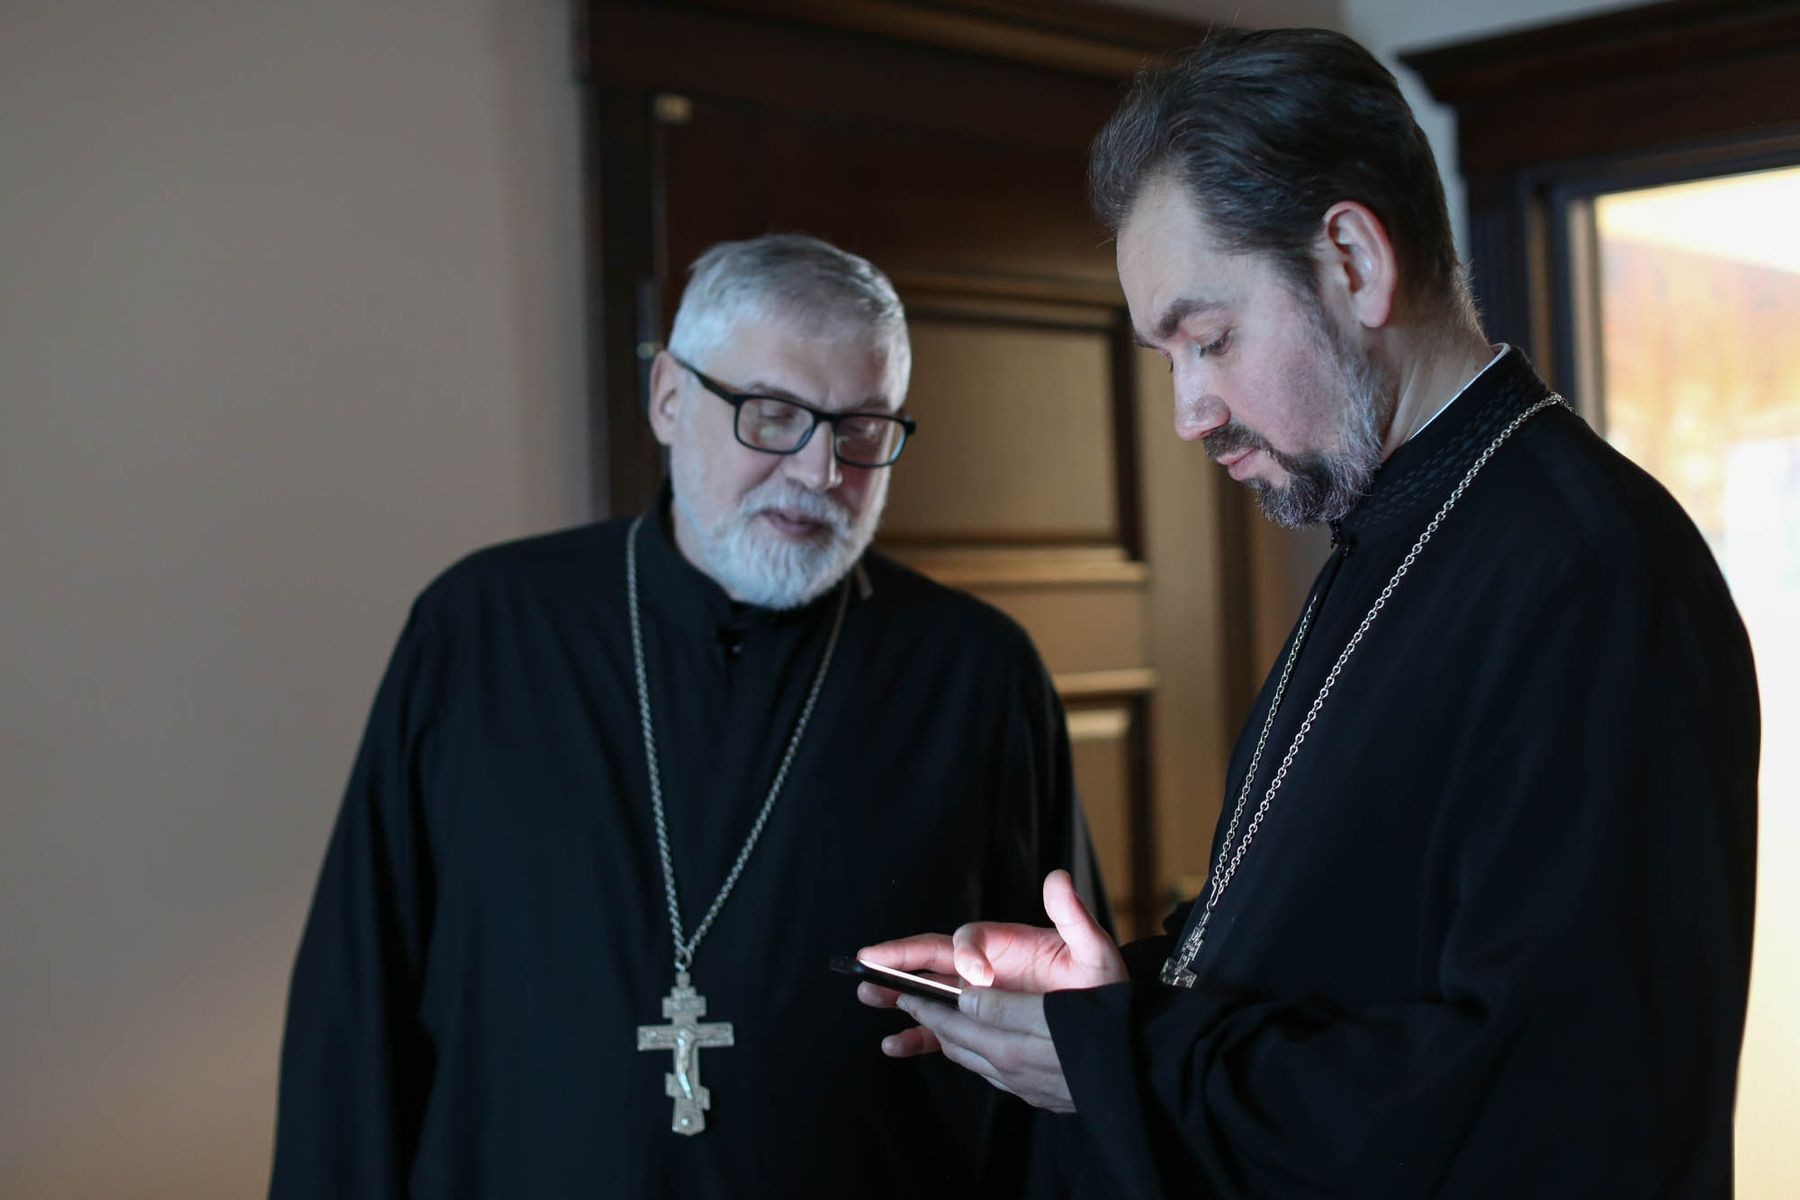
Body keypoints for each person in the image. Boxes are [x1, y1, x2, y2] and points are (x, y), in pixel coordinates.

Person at [859, 28, 1759, 1199]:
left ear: (1352, 260)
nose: (1189, 412)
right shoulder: (1390, 530)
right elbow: (1323, 946)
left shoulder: (1594, 574)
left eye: (1210, 339)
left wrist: (1119, 1057)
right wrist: (1108, 1000)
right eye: (1168, 358)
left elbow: (1548, 1108)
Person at [270, 233, 1107, 1198]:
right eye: (774, 415)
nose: (820, 471)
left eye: (862, 428)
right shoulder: (480, 629)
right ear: (669, 397)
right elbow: (358, 1007)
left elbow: (1058, 1046)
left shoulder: (975, 672)